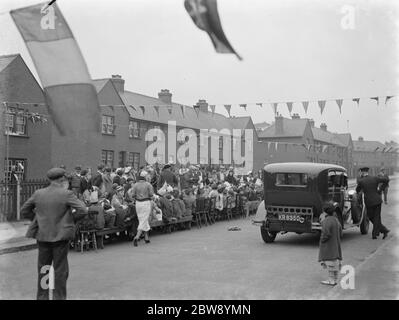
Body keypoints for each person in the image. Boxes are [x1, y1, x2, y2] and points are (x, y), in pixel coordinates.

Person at [20, 168, 88, 300]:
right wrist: (70, 220)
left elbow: (24, 210)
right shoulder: (66, 194)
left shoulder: (38, 193)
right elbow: (83, 210)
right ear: (62, 179)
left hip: (43, 236)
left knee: (44, 268)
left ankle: (42, 297)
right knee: (60, 270)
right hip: (60, 237)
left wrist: (38, 219)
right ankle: (59, 297)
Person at [356, 167, 390, 239]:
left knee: (371, 217)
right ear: (368, 172)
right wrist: (380, 190)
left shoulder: (361, 181)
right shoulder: (375, 178)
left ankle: (375, 234)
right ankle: (384, 230)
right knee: (376, 217)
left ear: (362, 172)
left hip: (369, 202)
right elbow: (387, 180)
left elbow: (357, 190)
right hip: (377, 201)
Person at [318, 201, 343, 286]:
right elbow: (340, 231)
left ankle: (331, 280)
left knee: (330, 263)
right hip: (335, 244)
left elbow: (326, 233)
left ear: (324, 211)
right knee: (334, 262)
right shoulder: (335, 220)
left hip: (329, 246)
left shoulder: (326, 221)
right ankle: (335, 280)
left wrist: (322, 240)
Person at [130, 171, 154, 246]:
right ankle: (137, 237)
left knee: (142, 219)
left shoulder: (135, 185)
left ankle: (146, 238)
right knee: (143, 220)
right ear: (145, 177)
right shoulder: (148, 184)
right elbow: (151, 194)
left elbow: (132, 195)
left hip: (138, 203)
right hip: (146, 202)